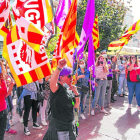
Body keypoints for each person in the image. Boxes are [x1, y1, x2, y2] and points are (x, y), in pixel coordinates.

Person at [43, 59, 80, 140]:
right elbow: (52, 83)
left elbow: (76, 105)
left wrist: (76, 93)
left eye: (72, 75)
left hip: (70, 126)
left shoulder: (69, 89)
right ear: (61, 77)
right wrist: (59, 67)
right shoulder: (57, 88)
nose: (72, 78)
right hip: (60, 128)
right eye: (69, 76)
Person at [0, 61, 14, 139]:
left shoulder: (3, 79)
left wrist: (10, 87)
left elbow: (5, 95)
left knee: (1, 132)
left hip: (3, 110)